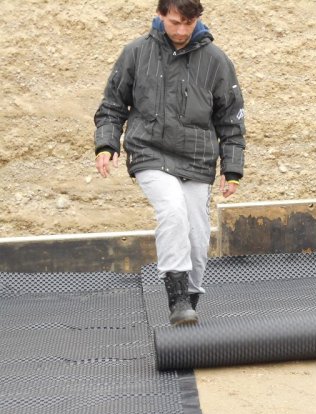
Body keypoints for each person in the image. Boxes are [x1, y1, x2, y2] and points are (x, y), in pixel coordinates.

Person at [94, 0, 246, 325]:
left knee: (197, 232)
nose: (181, 30)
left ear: (198, 19)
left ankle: (189, 301)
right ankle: (177, 299)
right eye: (175, 22)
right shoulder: (136, 53)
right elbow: (112, 105)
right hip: (150, 151)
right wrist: (106, 144)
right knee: (173, 211)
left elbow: (231, 118)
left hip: (197, 157)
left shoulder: (216, 61)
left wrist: (232, 169)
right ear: (160, 15)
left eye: (188, 23)